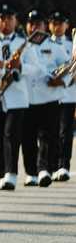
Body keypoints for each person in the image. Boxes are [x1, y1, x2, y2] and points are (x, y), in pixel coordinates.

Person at [0, 2, 30, 191]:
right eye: (1, 18)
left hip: (16, 96)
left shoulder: (23, 43)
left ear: (15, 21)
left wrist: (19, 67)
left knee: (11, 135)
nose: (5, 22)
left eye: (9, 18)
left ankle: (11, 174)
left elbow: (35, 68)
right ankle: (1, 174)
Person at [23, 10, 61, 186]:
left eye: (38, 23)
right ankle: (31, 172)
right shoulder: (21, 45)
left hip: (48, 97)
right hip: (27, 98)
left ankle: (43, 169)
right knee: (28, 137)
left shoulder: (55, 46)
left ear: (45, 26)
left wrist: (60, 80)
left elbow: (69, 66)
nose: (34, 27)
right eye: (31, 23)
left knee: (48, 136)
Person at [51, 11, 75, 181]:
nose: (57, 26)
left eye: (61, 23)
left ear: (67, 25)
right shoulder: (43, 43)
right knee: (50, 131)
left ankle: (63, 165)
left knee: (65, 132)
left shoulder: (72, 43)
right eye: (54, 23)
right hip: (50, 94)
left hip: (69, 93)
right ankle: (51, 165)